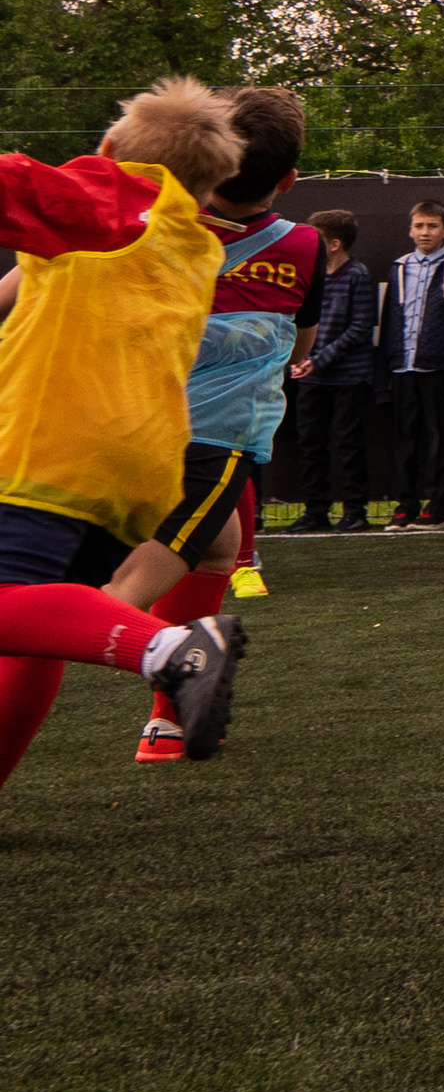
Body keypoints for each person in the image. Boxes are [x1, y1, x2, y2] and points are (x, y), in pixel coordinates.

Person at [0, 78, 250, 793]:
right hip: (136, 466)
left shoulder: (106, 201)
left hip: (47, 452)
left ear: (106, 151)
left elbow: (15, 183)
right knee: (39, 625)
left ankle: (173, 650)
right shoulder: (189, 240)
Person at [104, 86, 319, 763]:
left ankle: (168, 724)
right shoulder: (305, 247)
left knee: (220, 549)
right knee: (107, 601)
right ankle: (167, 675)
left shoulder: (144, 229)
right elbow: (303, 348)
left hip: (117, 426)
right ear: (287, 180)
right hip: (212, 444)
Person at [375, 199, 444, 530]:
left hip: (439, 371)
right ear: (410, 229)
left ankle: (439, 508)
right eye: (419, 225)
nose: (425, 232)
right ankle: (405, 507)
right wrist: (383, 376)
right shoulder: (399, 268)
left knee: (439, 440)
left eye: (432, 226)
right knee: (405, 441)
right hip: (402, 370)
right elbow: (388, 323)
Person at [288, 208, 375, 533]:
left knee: (348, 443)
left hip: (348, 377)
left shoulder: (358, 275)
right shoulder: (309, 275)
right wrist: (300, 358)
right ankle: (316, 511)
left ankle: (355, 511)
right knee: (310, 443)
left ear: (335, 244)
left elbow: (359, 327)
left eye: (317, 238)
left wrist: (317, 358)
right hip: (310, 376)